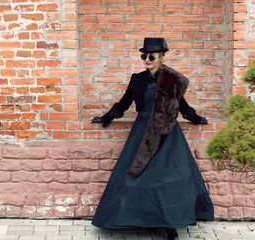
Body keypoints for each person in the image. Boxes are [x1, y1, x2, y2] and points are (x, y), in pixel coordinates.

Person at [89, 38, 214, 240]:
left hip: (167, 133)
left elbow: (182, 105)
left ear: (162, 57)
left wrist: (195, 118)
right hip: (142, 132)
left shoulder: (171, 79)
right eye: (144, 56)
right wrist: (106, 116)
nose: (147, 59)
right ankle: (145, 219)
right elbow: (124, 103)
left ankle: (170, 225)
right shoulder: (137, 79)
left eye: (151, 56)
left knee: (169, 180)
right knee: (136, 178)